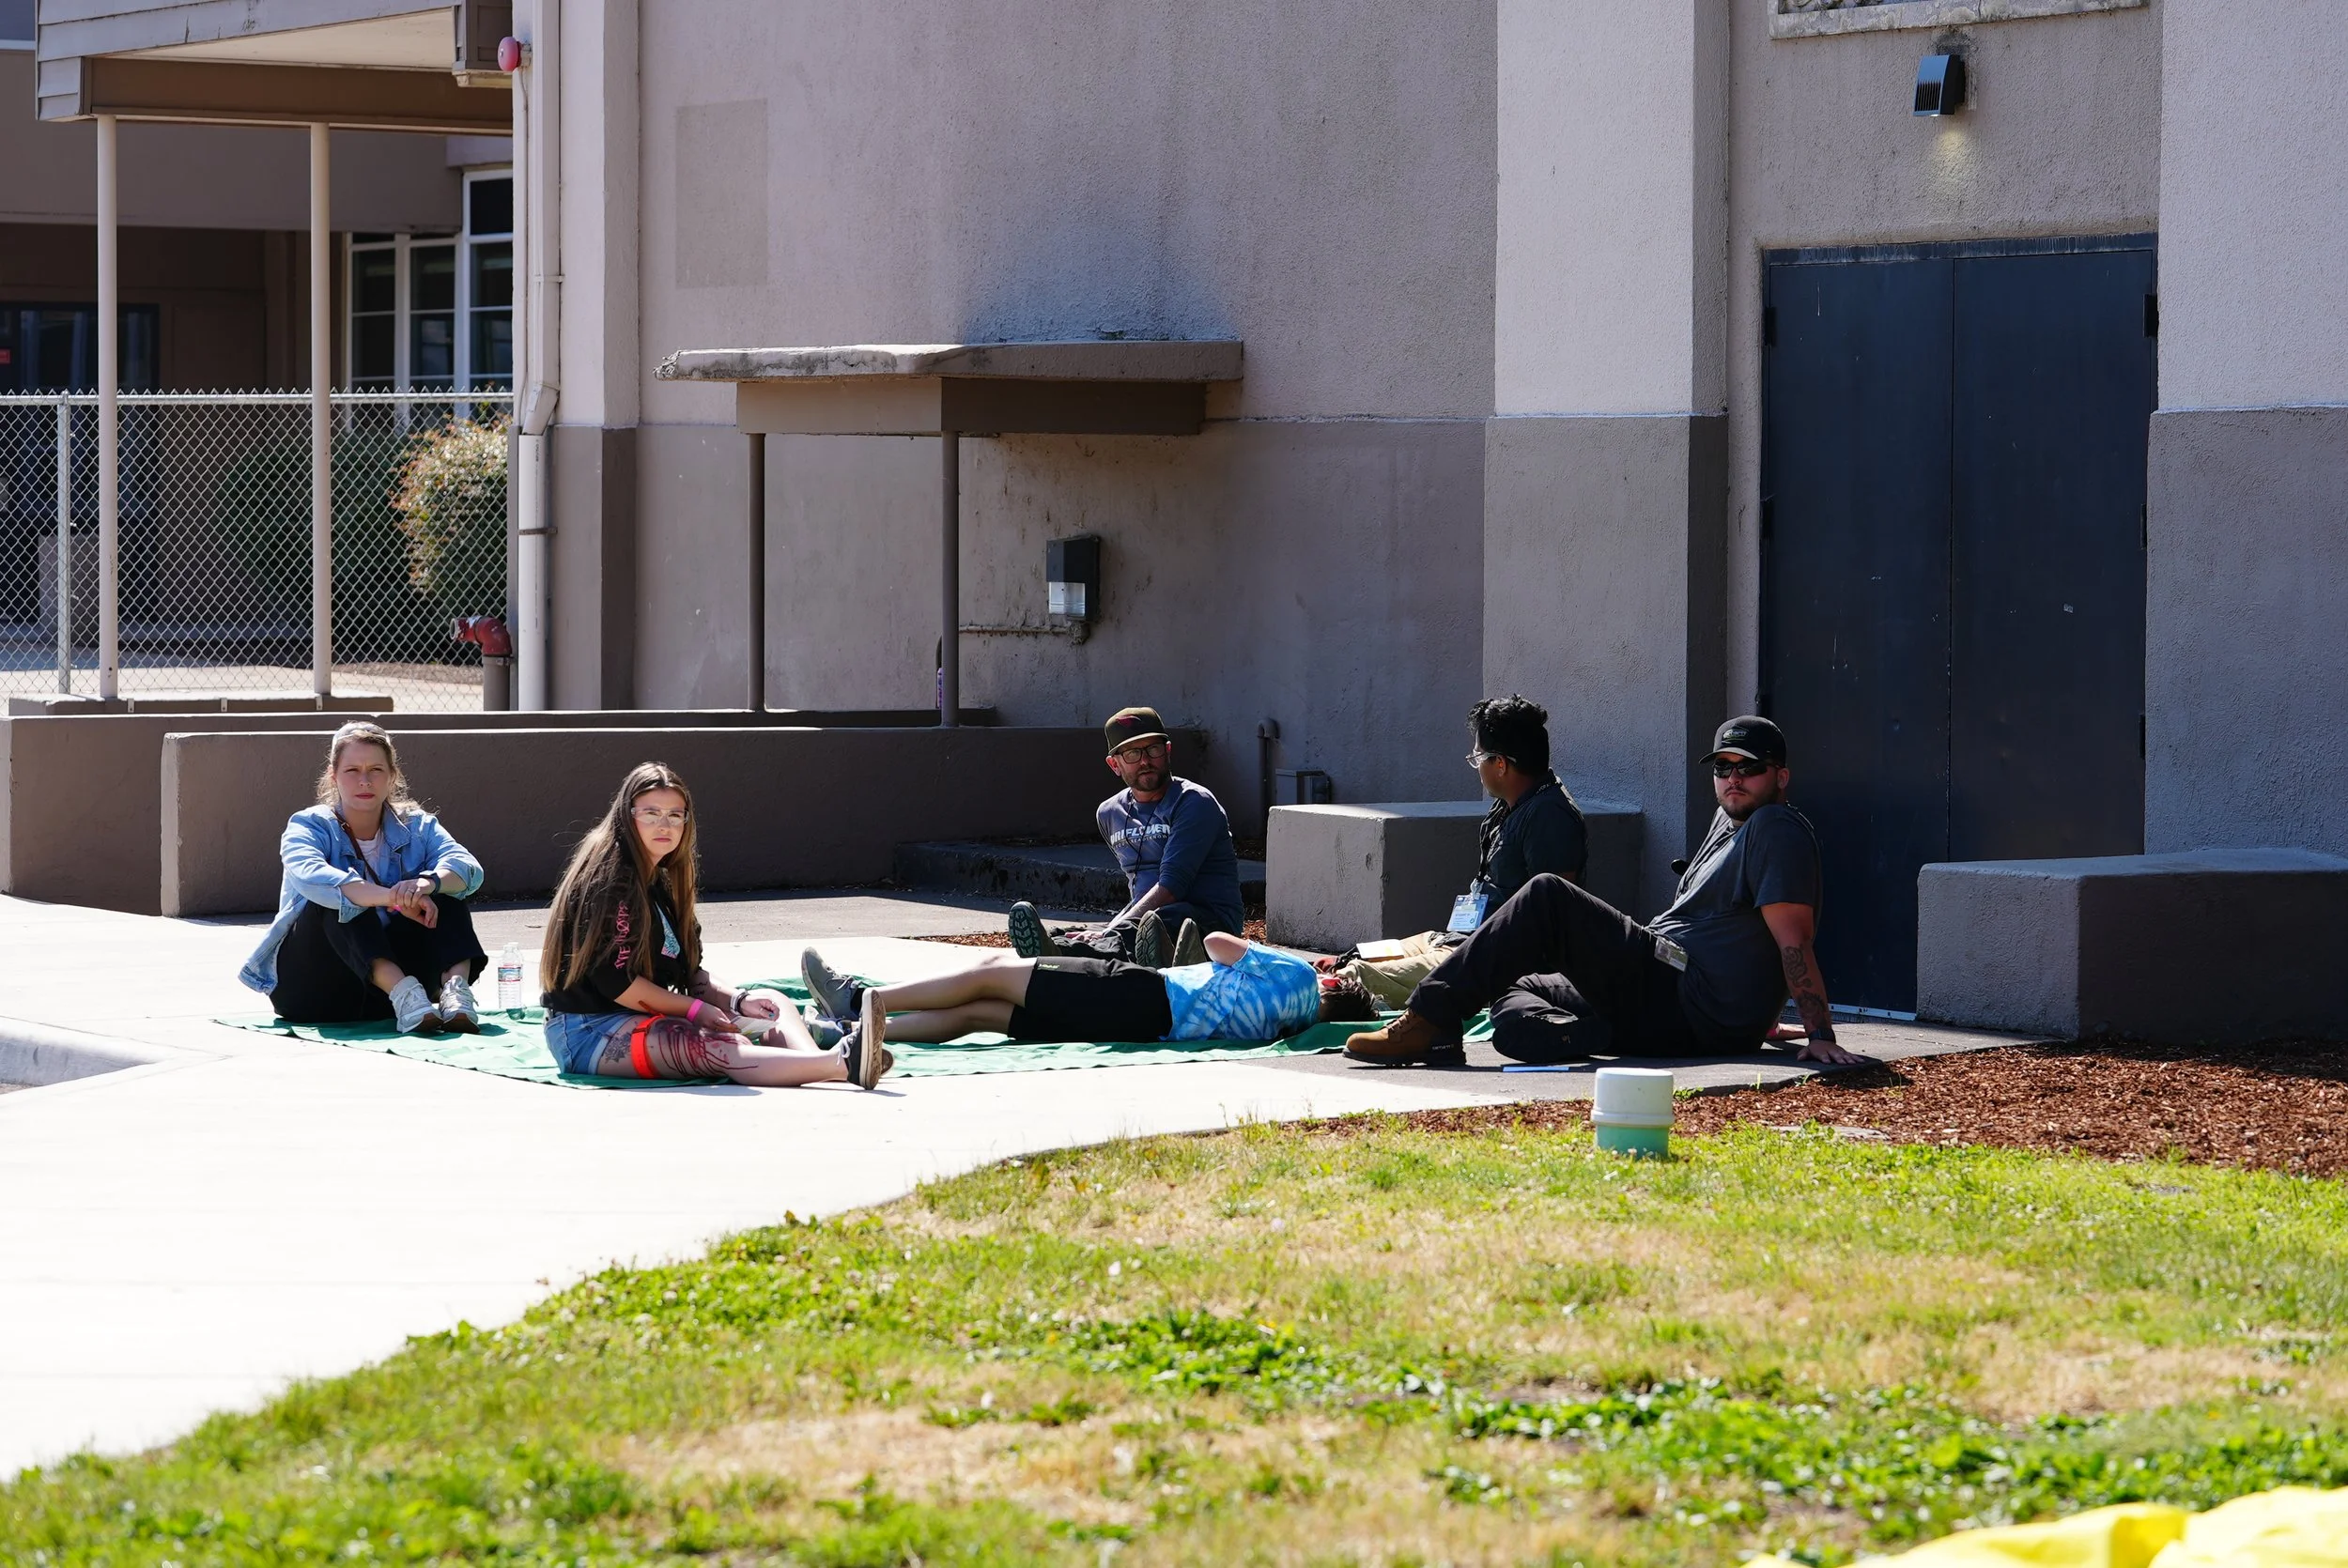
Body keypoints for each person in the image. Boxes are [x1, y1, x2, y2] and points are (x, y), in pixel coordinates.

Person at [1343, 716, 1868, 1068]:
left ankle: (1428, 1019)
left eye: (1749, 768)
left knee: (1547, 895)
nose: (1734, 779)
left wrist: (1819, 1031)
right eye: (1724, 768)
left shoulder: (1775, 827)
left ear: (1781, 776)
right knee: (1515, 980)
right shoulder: (1729, 821)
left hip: (1683, 998)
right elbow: (1740, 935)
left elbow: (1793, 939)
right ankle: (1580, 1033)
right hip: (1675, 997)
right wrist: (1758, 1011)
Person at [538, 761, 888, 1088]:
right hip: (588, 1031)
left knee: (772, 1002)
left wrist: (738, 1001)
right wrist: (695, 1010)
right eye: (651, 814)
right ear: (627, 818)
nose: (665, 825)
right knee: (715, 1045)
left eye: (676, 815)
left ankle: (815, 1062)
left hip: (643, 1019)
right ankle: (840, 1063)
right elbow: (617, 984)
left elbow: (691, 973)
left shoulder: (660, 879)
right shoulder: (610, 881)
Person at [1320, 696, 1588, 1007]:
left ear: (1500, 764)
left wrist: (1475, 954)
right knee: (1348, 959)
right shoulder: (1509, 805)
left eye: (1478, 759)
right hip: (1455, 940)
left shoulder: (1549, 817)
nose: (1476, 767)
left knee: (1353, 980)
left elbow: (1552, 915)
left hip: (1491, 959)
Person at [239, 722, 489, 1034]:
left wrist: (426, 884)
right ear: (334, 776)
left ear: (391, 776)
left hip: (379, 999)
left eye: (375, 770)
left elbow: (468, 868)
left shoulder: (417, 826)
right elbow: (313, 877)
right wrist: (395, 898)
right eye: (352, 770)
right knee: (338, 899)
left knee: (446, 892)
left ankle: (454, 995)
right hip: (314, 993)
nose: (364, 781)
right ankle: (404, 992)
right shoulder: (309, 825)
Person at [801, 932, 1375, 1051]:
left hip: (1143, 993)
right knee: (987, 1014)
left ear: (1332, 982)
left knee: (991, 970)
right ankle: (852, 1038)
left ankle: (861, 1002)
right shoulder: (1284, 1030)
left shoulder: (1300, 977)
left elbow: (1221, 943)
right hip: (1144, 1028)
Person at [1008, 705, 1245, 967]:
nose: (1145, 761)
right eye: (1132, 753)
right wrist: (1108, 928)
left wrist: (1112, 930)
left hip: (1206, 921)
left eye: (1152, 749)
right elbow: (1139, 887)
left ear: (1167, 751)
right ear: (1114, 764)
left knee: (1160, 923)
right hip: (1146, 921)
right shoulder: (1109, 813)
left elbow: (1173, 886)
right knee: (1074, 934)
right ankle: (1059, 947)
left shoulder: (1194, 803)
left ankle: (1066, 957)